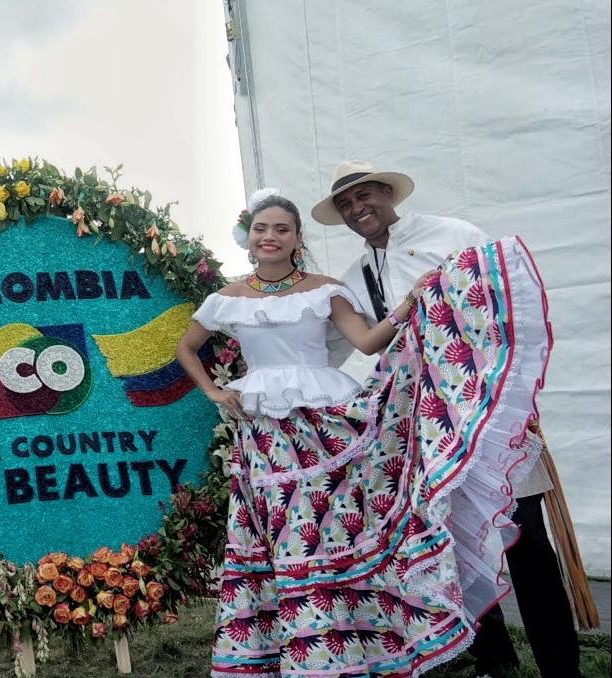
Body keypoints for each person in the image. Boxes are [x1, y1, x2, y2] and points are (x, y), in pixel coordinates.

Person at [178, 190, 550, 676]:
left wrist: (409, 302)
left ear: (297, 238)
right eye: (262, 229)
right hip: (264, 435)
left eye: (282, 229)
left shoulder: (325, 288)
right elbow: (187, 348)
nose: (270, 237)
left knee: (334, 532)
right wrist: (213, 391)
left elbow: (369, 342)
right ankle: (305, 648)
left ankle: (358, 643)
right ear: (249, 237)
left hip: (329, 426)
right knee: (288, 539)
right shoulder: (225, 298)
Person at [314, 161, 583, 677]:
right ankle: (494, 661)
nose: (357, 209)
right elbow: (324, 349)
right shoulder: (355, 278)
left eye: (364, 195)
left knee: (525, 540)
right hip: (426, 428)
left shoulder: (453, 235)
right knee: (452, 544)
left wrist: (514, 401)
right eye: (346, 204)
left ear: (388, 193)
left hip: (487, 418)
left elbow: (506, 305)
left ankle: (560, 667)